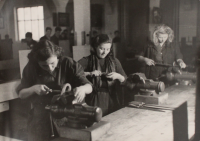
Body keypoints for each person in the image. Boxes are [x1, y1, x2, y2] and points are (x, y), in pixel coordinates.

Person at [16, 40, 92, 141]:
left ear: (58, 56)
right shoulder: (31, 67)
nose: (50, 68)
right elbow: (21, 94)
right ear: (37, 62)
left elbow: (89, 87)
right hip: (40, 118)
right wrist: (34, 89)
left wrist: (82, 89)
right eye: (44, 66)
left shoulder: (68, 63)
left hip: (66, 116)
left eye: (53, 63)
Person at [78, 34, 127, 116]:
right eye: (101, 48)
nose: (105, 52)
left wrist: (118, 76)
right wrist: (89, 73)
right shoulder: (87, 60)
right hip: (94, 100)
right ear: (95, 47)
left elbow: (125, 80)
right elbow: (72, 72)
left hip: (112, 100)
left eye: (108, 49)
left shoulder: (114, 62)